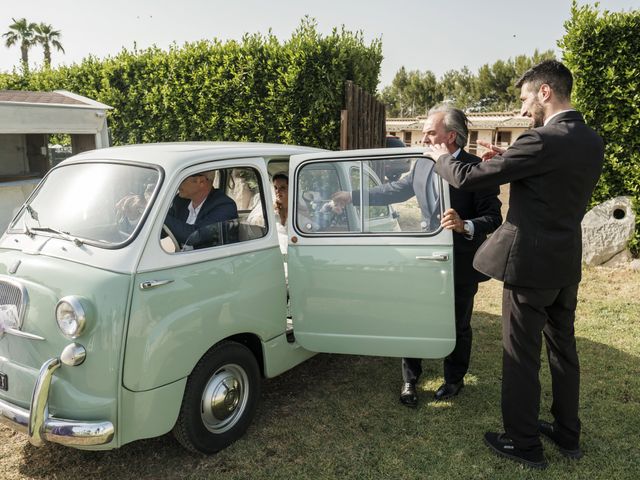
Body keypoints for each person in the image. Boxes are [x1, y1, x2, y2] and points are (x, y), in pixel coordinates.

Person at [429, 60, 604, 469]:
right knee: (563, 350)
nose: (523, 110)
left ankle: (523, 442)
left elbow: (470, 179)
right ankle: (566, 432)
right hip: (565, 265)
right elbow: (551, 179)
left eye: (525, 99)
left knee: (519, 354)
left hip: (529, 267)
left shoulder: (541, 140)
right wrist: (509, 156)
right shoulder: (590, 140)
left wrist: (440, 158)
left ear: (545, 92)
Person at [333, 105, 502, 407]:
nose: (423, 138)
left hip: (461, 262)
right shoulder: (422, 164)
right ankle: (410, 379)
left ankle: (453, 380)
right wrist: (352, 196)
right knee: (413, 317)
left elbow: (493, 217)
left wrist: (466, 225)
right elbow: (395, 190)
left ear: (450, 136)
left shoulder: (477, 168)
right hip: (424, 259)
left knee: (457, 323)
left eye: (429, 132)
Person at [164, 171, 238, 247]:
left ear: (201, 181)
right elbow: (164, 228)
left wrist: (160, 216)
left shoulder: (224, 206)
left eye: (181, 179)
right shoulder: (181, 200)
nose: (177, 184)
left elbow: (195, 237)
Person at [272, 172, 289, 254]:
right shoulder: (271, 211)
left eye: (282, 188)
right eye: (275, 187)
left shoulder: (298, 211)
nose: (278, 191)